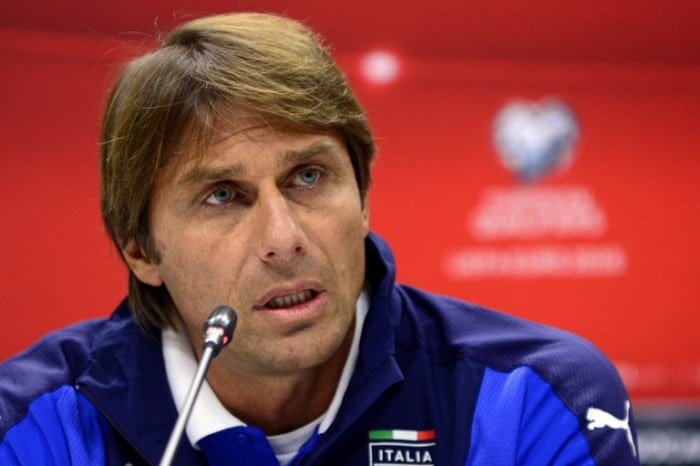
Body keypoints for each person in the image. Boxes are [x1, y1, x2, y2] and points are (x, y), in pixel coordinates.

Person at [0, 12, 639, 466]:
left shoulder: (533, 397)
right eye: (223, 195)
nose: (283, 238)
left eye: (308, 177)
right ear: (141, 250)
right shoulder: (33, 424)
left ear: (362, 197)